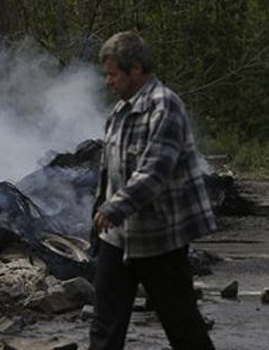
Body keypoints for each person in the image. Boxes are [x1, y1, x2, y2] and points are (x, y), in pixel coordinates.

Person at [89, 31, 217, 350]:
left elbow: (154, 172)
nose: (108, 81)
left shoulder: (166, 106)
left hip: (159, 237)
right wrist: (98, 211)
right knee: (105, 327)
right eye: (106, 74)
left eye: (113, 74)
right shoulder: (119, 112)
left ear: (136, 69)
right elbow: (110, 173)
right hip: (117, 238)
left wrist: (113, 208)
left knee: (183, 325)